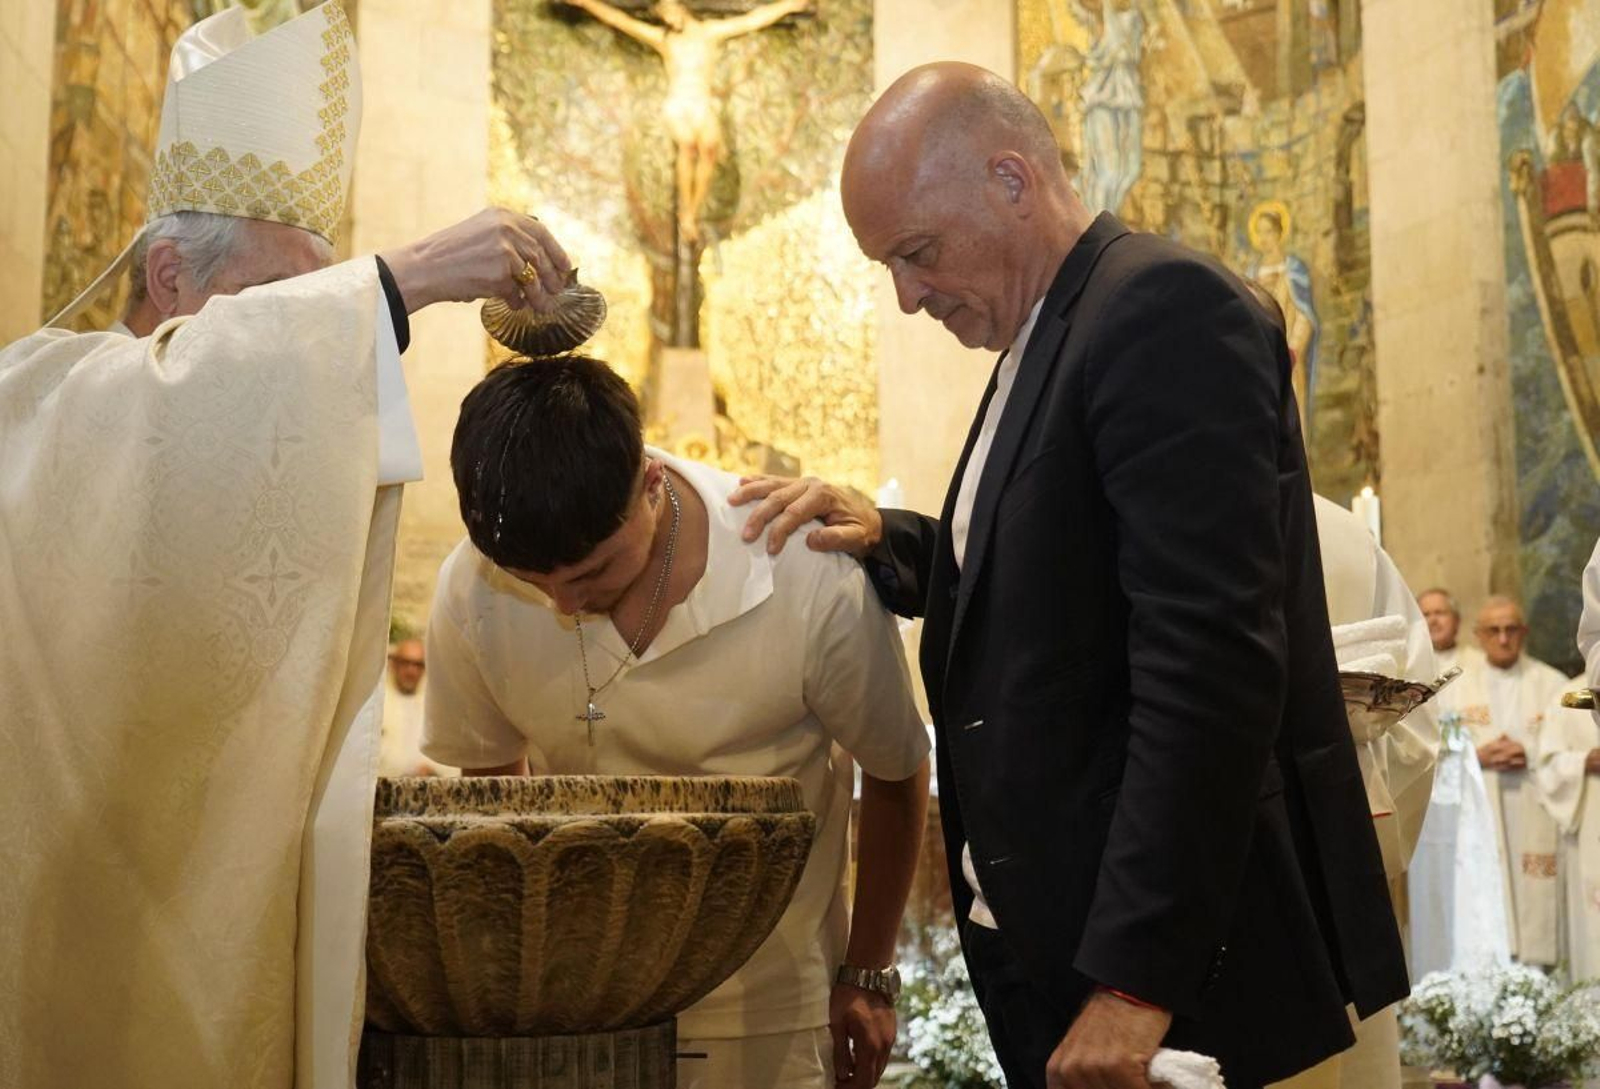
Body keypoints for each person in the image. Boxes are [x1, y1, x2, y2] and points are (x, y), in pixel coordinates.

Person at [731, 62, 1407, 1089]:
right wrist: (896, 541)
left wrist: (1136, 983)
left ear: (1010, 179)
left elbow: (1208, 667)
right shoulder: (1047, 331)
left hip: (1157, 976)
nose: (907, 297)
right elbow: (1056, 568)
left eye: (915, 254)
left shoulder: (1160, 310)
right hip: (1063, 943)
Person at [0, 5, 574, 1087]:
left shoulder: (239, 460)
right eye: (282, 306)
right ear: (168, 280)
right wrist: (399, 282)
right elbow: (167, 422)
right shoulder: (39, 410)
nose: (305, 345)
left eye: (319, 309)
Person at [422, 356, 931, 1089]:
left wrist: (869, 969)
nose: (565, 607)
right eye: (535, 585)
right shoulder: (470, 585)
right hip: (578, 1001)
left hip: (774, 1002)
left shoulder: (799, 567)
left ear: (651, 487)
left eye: (592, 575)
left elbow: (895, 767)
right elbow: (495, 799)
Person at [1271, 497, 1438, 1089]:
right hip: (1329, 879)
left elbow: (1416, 711)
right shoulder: (1338, 531)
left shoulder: (1338, 532)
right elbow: (1418, 748)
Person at [557, 0, 812, 242]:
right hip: (680, 102)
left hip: (701, 102)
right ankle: (685, 215)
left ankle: (692, 210)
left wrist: (788, 5)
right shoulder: (665, 40)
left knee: (710, 152)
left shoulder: (709, 33)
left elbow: (751, 20)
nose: (667, 18)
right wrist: (588, 3)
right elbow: (620, 20)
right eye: (663, 15)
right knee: (688, 149)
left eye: (669, 10)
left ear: (681, 7)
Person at [1441, 595, 1570, 965]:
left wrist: (1529, 751)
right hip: (1482, 809)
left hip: (1536, 804)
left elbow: (1567, 744)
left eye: (1511, 629)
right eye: (1493, 631)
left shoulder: (1553, 684)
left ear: (1524, 632)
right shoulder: (1455, 687)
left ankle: (1539, 974)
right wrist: (1475, 755)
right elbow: (1433, 750)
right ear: (1478, 635)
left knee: (1536, 896)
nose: (1502, 638)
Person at [382, 637, 454, 777]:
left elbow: (450, 753)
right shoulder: (379, 705)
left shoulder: (437, 706)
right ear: (393, 664)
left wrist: (431, 769)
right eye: (406, 663)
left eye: (418, 665)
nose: (411, 671)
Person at [1417, 588, 1483, 678]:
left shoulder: (1478, 662)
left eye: (1439, 613)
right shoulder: (1409, 665)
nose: (1433, 621)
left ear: (1456, 620)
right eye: (1426, 614)